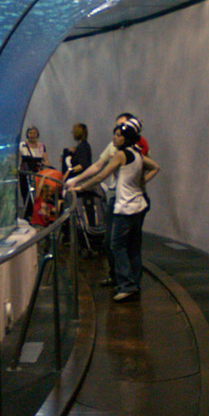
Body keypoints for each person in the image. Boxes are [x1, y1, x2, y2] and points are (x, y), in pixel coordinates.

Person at [69, 117, 159, 302]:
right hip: (138, 205)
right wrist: (141, 182)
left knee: (116, 246)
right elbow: (155, 167)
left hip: (124, 208)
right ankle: (134, 282)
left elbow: (102, 174)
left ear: (125, 138)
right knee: (133, 247)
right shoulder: (138, 153)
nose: (115, 138)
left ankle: (126, 284)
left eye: (118, 136)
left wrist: (81, 187)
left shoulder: (121, 155)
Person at [18, 126, 47, 219]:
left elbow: (45, 159)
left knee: (37, 193)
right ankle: (28, 214)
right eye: (30, 133)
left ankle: (36, 213)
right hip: (24, 173)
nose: (32, 135)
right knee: (25, 193)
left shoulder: (41, 146)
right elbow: (19, 158)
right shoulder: (22, 145)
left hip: (37, 172)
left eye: (34, 133)